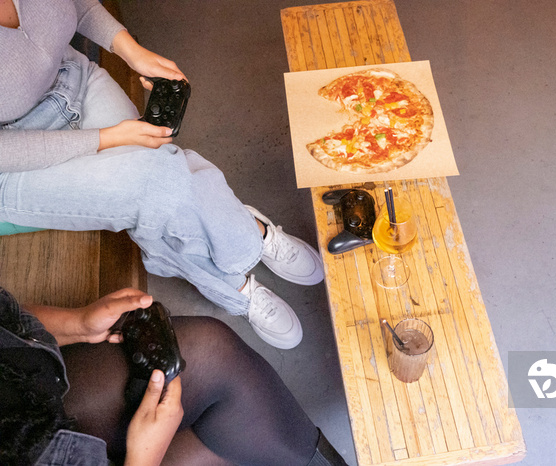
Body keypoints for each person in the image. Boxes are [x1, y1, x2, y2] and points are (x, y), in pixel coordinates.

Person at [0, 0, 322, 349]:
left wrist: (130, 50)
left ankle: (239, 246)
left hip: (72, 81)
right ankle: (243, 262)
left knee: (164, 178)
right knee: (157, 183)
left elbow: (76, 3)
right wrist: (108, 139)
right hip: (15, 162)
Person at [0, 285, 348, 465]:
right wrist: (142, 458)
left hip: (19, 403)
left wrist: (76, 324)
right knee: (232, 431)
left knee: (209, 351)